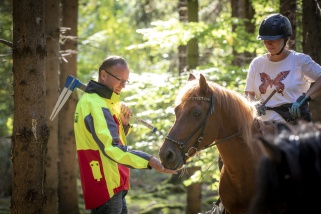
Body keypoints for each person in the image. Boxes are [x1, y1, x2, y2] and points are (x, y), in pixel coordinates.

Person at [74, 55, 177, 214]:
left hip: (115, 179)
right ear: (103, 75)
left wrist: (124, 123)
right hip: (105, 182)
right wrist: (148, 160)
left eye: (126, 81)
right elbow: (111, 148)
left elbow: (114, 138)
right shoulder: (95, 104)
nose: (123, 86)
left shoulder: (106, 102)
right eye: (119, 80)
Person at [245, 13, 321, 124]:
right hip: (264, 127)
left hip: (294, 126)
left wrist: (305, 99)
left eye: (273, 40)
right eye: (265, 40)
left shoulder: (300, 60)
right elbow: (248, 94)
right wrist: (253, 105)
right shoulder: (257, 63)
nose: (268, 44)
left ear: (285, 39)